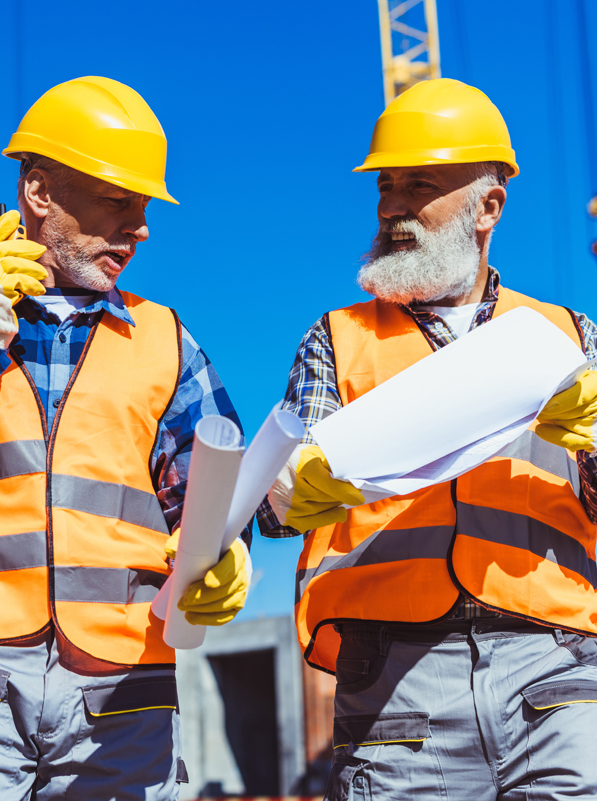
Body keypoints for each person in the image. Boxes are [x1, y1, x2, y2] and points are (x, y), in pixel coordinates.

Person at [0, 76, 252, 801]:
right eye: (118, 200)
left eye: (145, 205)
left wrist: (227, 548)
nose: (142, 226)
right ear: (38, 192)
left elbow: (214, 495)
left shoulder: (167, 340)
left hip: (123, 688)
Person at [259, 78, 597, 799]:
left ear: (488, 207)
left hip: (557, 667)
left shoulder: (570, 338)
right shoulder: (336, 339)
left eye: (418, 185)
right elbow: (270, 510)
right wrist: (287, 487)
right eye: (385, 187)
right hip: (397, 682)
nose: (391, 206)